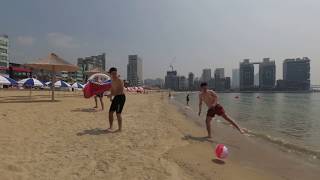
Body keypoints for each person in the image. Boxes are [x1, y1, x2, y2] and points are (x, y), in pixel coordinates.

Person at [107, 67, 126, 132]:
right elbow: (112, 90)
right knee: (110, 112)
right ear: (110, 74)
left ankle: (120, 128)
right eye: (112, 74)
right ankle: (111, 127)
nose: (114, 75)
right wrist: (111, 97)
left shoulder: (120, 80)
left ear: (116, 72)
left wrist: (111, 95)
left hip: (121, 97)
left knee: (118, 113)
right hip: (116, 97)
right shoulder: (111, 81)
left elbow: (120, 91)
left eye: (115, 73)